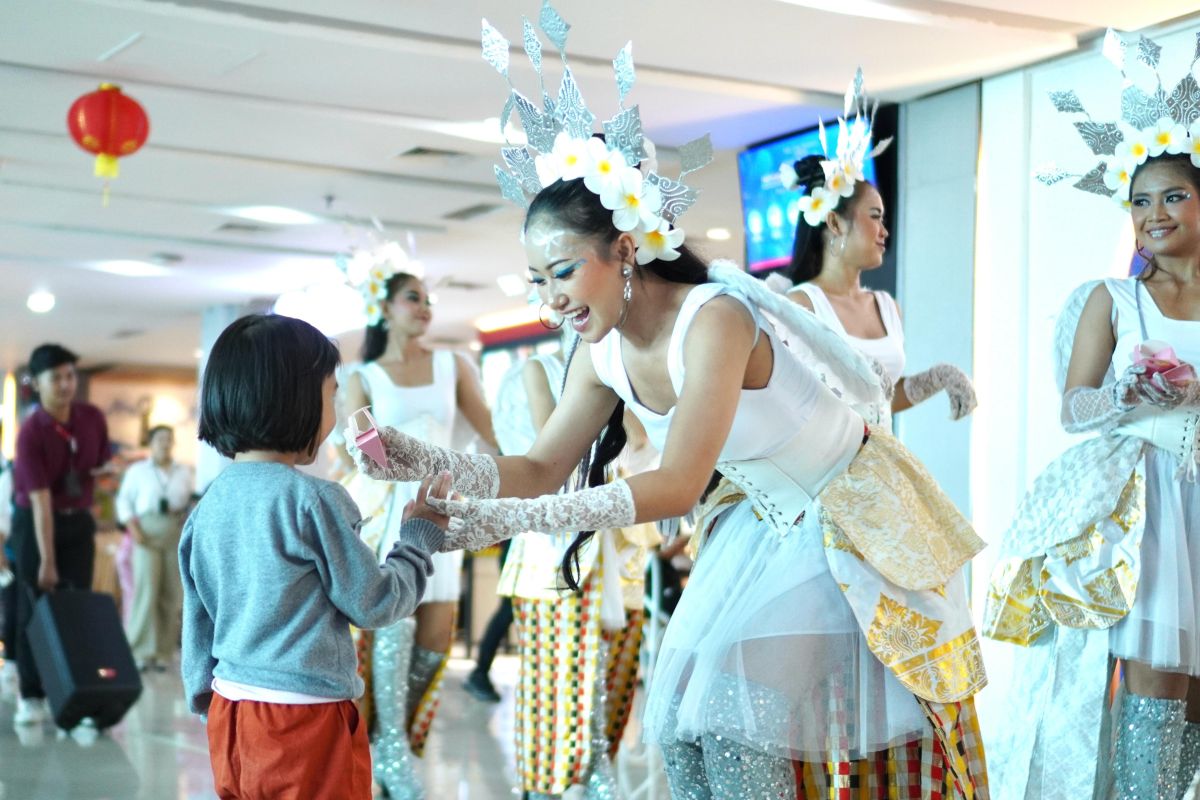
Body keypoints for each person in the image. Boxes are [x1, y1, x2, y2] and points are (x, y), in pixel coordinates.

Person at [346, 22, 989, 790]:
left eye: (561, 274)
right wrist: (411, 460)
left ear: (621, 249)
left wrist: (510, 522)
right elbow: (540, 465)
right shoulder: (601, 347)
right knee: (677, 735)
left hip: (844, 517)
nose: (550, 301)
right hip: (760, 524)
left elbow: (679, 484)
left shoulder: (715, 317)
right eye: (537, 281)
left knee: (731, 726)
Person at [180, 313, 450, 800]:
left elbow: (197, 617)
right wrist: (417, 538)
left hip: (230, 711)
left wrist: (208, 698)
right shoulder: (315, 501)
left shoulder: (209, 506)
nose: (335, 410)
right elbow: (375, 603)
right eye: (331, 394)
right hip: (305, 716)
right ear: (297, 400)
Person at [340, 269, 498, 798]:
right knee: (393, 627)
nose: (425, 307)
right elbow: (360, 450)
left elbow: (493, 435)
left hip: (442, 509)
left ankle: (399, 738)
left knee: (434, 636)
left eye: (429, 300)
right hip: (389, 513)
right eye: (413, 298)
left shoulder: (453, 365)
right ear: (384, 309)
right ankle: (387, 749)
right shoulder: (364, 376)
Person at [487, 349, 657, 798]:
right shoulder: (539, 369)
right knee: (557, 683)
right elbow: (555, 457)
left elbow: (644, 445)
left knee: (615, 678)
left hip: (621, 547)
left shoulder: (630, 363)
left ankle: (597, 766)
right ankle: (549, 783)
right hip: (556, 547)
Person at [784, 154, 977, 425]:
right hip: (828, 463)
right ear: (835, 223)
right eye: (875, 217)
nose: (884, 231)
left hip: (882, 459)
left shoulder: (887, 306)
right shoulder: (801, 306)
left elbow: (881, 401)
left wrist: (939, 377)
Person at [10, 343, 111, 729]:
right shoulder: (31, 433)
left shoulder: (91, 417)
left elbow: (99, 467)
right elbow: (38, 503)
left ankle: (78, 695)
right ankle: (31, 696)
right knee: (34, 610)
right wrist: (48, 561)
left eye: (71, 376)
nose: (67, 384)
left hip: (77, 521)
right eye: (57, 378)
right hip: (36, 525)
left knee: (78, 611)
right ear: (38, 384)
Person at [115, 425, 193, 671]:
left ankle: (163, 652)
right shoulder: (138, 471)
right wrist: (133, 529)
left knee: (171, 594)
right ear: (151, 443)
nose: (165, 443)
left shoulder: (183, 471)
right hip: (146, 532)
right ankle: (140, 650)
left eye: (169, 439)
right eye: (160, 439)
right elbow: (124, 501)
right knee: (146, 591)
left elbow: (188, 501)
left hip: (173, 531)